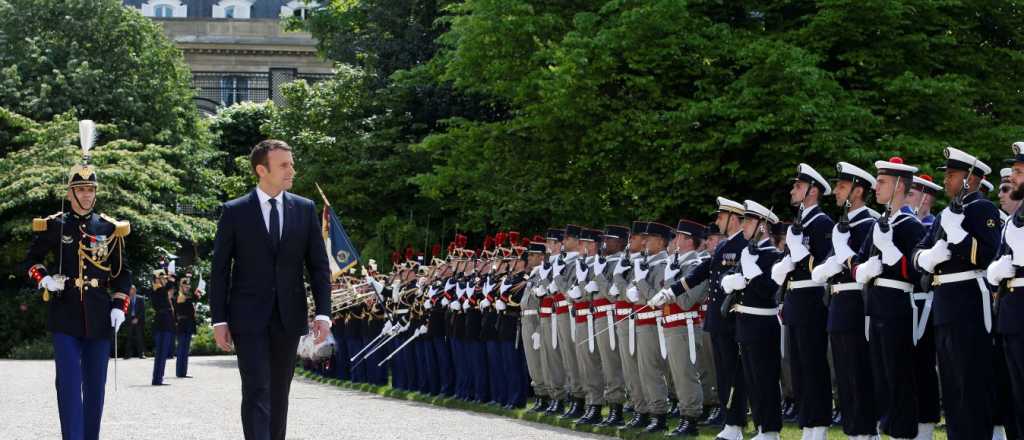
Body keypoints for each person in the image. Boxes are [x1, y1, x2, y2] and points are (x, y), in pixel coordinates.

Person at [209, 139, 333, 440]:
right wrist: (219, 319)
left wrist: (324, 314)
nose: (292, 169)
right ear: (261, 170)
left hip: (288, 318)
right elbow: (220, 270)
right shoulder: (235, 211)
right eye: (284, 164)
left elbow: (318, 266)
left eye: (291, 163)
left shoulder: (304, 210)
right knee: (256, 389)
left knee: (279, 393)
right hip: (247, 318)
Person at [24, 121, 132, 440]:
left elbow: (123, 273)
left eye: (91, 189)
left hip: (100, 315)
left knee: (96, 388)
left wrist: (120, 306)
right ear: (70, 192)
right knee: (70, 385)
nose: (87, 195)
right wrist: (43, 280)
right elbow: (29, 260)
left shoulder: (109, 228)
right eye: (81, 189)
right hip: (66, 312)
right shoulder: (55, 225)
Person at [914, 147, 999, 439]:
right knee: (950, 383)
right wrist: (926, 258)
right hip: (944, 303)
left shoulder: (983, 209)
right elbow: (919, 250)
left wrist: (960, 237)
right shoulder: (945, 214)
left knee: (970, 380)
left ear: (969, 179)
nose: (947, 181)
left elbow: (987, 254)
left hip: (968, 300)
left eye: (952, 175)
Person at [810, 161, 879, 440]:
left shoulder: (868, 224)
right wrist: (826, 267)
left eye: (841, 186)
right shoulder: (844, 224)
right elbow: (829, 262)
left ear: (858, 190)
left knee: (858, 372)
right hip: (838, 306)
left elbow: (867, 264)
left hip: (856, 305)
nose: (836, 192)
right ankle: (854, 430)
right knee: (844, 375)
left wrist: (841, 261)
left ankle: (865, 430)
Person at [770, 163, 834, 440]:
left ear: (813, 190)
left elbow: (824, 263)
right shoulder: (800, 223)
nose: (792, 190)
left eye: (798, 186)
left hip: (811, 297)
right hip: (795, 298)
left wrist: (799, 258)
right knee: (797, 366)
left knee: (813, 364)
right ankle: (808, 424)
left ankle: (818, 426)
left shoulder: (822, 223)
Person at [720, 200, 783, 440]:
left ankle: (770, 430)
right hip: (745, 323)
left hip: (763, 324)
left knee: (766, 379)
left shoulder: (772, 256)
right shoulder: (750, 252)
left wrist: (750, 273)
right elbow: (735, 280)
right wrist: (732, 279)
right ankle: (760, 427)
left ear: (763, 226)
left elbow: (769, 291)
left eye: (749, 221)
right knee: (752, 380)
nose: (744, 225)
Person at [151, 266, 176, 386]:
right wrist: (170, 277)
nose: (165, 280)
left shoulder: (160, 291)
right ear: (157, 280)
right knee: (161, 353)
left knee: (162, 353)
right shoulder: (158, 290)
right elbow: (170, 286)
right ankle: (157, 379)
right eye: (162, 278)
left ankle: (158, 378)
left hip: (164, 323)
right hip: (162, 323)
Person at [175, 273, 200, 378]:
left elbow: (192, 300)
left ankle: (183, 372)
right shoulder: (179, 296)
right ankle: (180, 372)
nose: (187, 287)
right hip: (182, 324)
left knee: (185, 350)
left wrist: (196, 295)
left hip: (188, 324)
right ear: (181, 286)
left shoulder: (187, 296)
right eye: (185, 286)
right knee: (181, 349)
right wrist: (196, 295)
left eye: (188, 286)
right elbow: (189, 300)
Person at [123, 286, 147, 360]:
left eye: (133, 290)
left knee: (140, 338)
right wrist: (129, 320)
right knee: (129, 338)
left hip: (138, 320)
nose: (131, 291)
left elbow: (142, 310)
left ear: (135, 290)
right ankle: (127, 355)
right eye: (130, 290)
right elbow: (125, 311)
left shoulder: (140, 298)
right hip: (129, 320)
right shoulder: (126, 299)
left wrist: (137, 318)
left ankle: (141, 354)